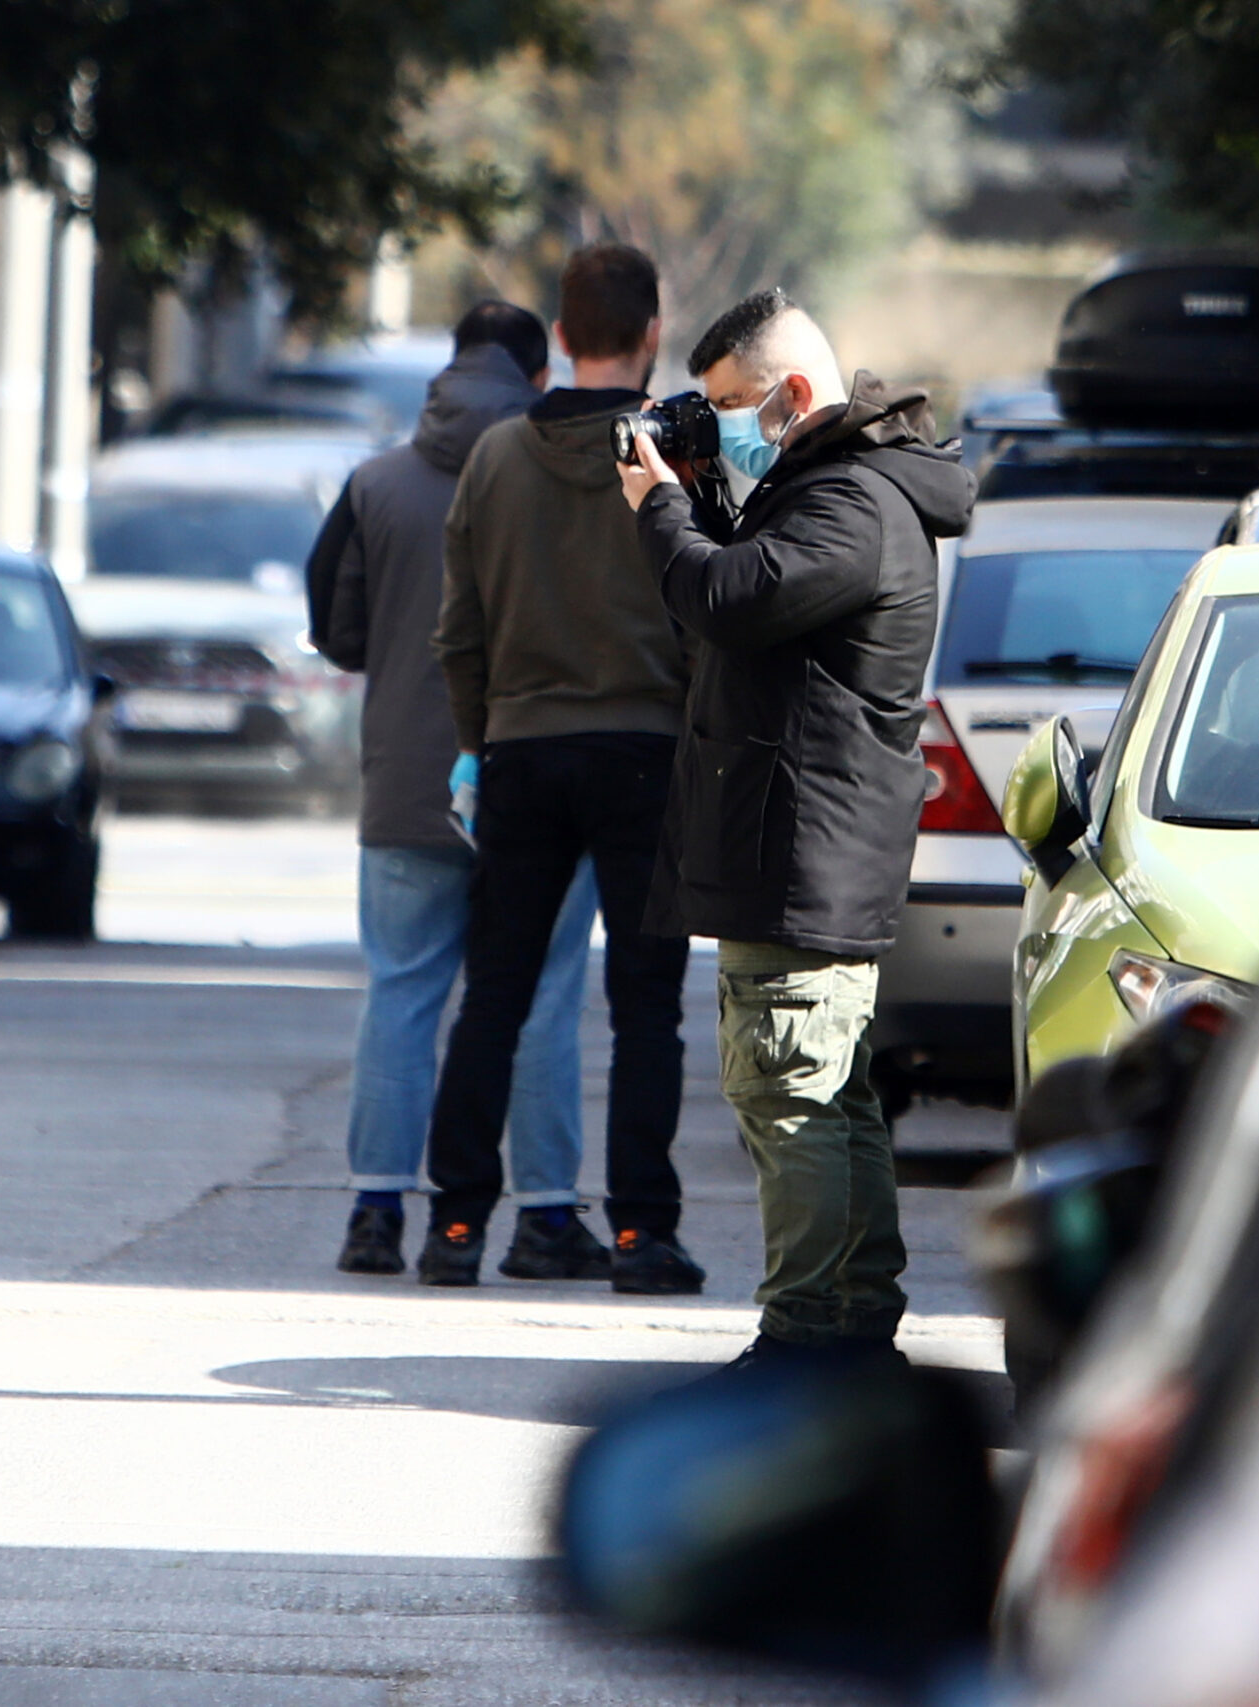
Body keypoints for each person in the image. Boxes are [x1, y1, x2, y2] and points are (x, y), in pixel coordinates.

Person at [619, 288, 975, 1361]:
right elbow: (745, 604)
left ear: (796, 393)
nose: (722, 422)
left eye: (732, 403)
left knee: (792, 1097)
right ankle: (850, 1328)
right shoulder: (834, 489)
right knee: (826, 1095)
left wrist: (659, 508)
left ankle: (808, 1341)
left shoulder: (849, 505)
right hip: (804, 847)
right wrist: (697, 493)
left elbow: (728, 600)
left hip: (802, 853)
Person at [418, 244, 700, 1292]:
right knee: (646, 1007)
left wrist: (477, 742)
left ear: (566, 337)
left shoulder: (496, 458)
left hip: (523, 751)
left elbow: (459, 630)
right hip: (646, 753)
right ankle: (642, 1235)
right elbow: (710, 607)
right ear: (652, 334)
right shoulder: (678, 452)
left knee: (493, 995)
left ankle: (454, 1226)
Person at [307, 301, 607, 1280]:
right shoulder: (570, 480)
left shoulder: (375, 482)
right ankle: (545, 1216)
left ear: (450, 366)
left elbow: (337, 631)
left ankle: (375, 1212)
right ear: (538, 375)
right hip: (536, 773)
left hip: (404, 782)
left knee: (400, 991)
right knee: (542, 995)